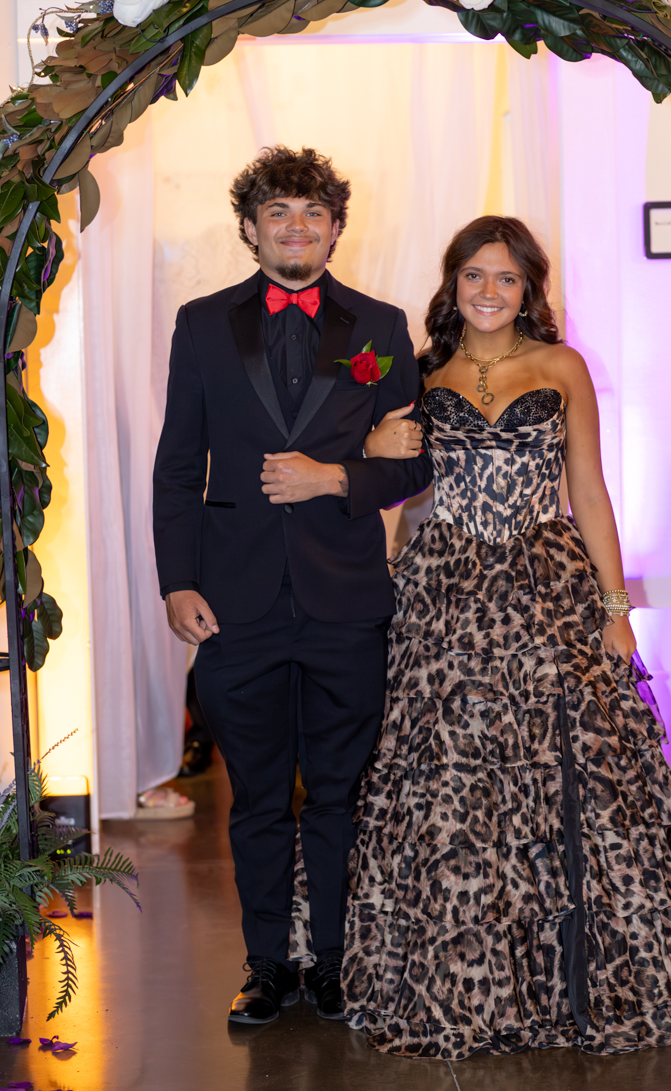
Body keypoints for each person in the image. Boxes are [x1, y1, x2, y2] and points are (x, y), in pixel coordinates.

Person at [341, 216, 671, 1058]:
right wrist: (373, 458)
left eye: (507, 279)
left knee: (570, 777)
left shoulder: (562, 368)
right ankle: (461, 978)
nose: (489, 292)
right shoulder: (423, 373)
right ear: (452, 283)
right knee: (452, 782)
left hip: (545, 584)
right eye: (474, 277)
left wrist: (614, 608)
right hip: (445, 592)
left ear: (530, 289)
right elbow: (398, 486)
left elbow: (590, 492)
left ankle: (574, 978)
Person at [152, 146, 431, 1026]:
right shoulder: (199, 324)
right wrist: (175, 583)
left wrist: (336, 479)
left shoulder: (383, 328)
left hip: (346, 600)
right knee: (259, 796)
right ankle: (267, 964)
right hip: (233, 605)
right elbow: (175, 468)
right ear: (250, 226)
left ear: (338, 227)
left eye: (313, 212)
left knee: (340, 794)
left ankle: (338, 964)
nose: (296, 226)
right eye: (279, 212)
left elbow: (412, 470)